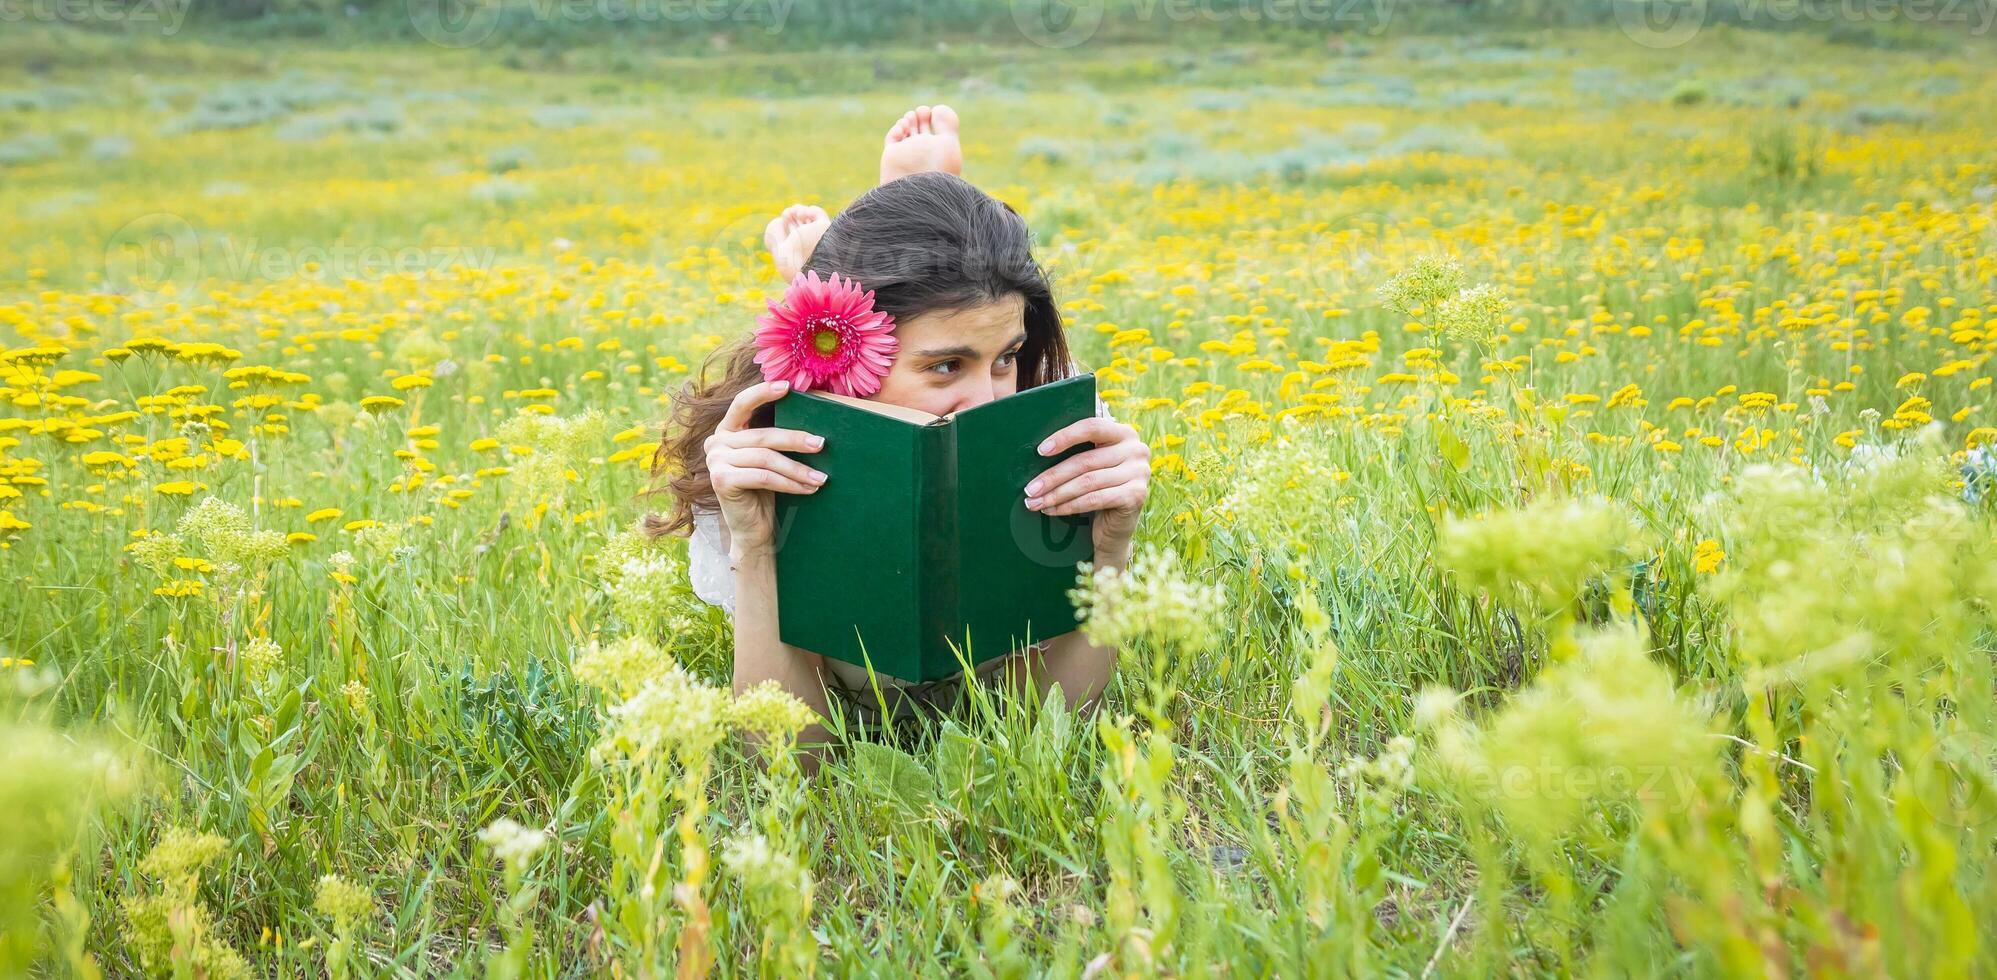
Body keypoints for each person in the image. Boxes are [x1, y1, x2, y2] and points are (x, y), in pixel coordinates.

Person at [648, 106, 1149, 744]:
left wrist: (1110, 555)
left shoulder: (1053, 435)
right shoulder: (761, 455)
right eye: (945, 367)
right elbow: (789, 761)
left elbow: (1043, 729)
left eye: (1007, 357)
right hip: (845, 376)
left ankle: (888, 225)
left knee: (948, 313)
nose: (988, 400)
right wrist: (754, 550)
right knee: (831, 329)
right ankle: (834, 256)